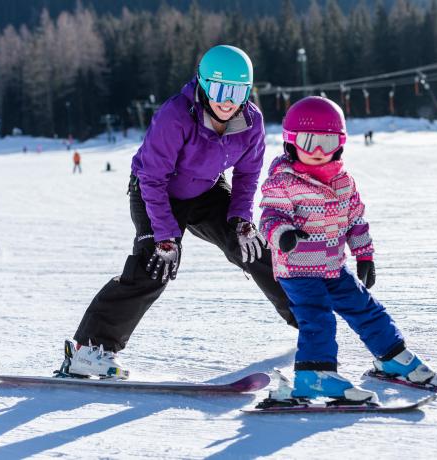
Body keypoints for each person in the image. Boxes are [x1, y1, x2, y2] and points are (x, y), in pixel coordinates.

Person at [60, 45, 296, 379]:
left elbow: (246, 176)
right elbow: (152, 177)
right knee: (153, 265)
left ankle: (306, 316)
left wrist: (241, 220)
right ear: (202, 84)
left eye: (237, 92)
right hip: (155, 192)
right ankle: (88, 350)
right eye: (219, 89)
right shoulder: (176, 115)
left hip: (206, 189)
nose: (227, 101)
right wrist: (166, 237)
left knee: (250, 246)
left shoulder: (250, 122)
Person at [259, 97, 437, 403]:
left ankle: (391, 356)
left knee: (366, 308)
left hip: (333, 266)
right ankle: (313, 376)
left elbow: (355, 220)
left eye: (328, 141)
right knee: (318, 318)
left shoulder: (344, 182)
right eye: (310, 142)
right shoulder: (283, 182)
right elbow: (270, 216)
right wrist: (282, 235)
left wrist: (365, 255)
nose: (319, 151)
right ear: (292, 142)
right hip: (297, 269)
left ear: (341, 142)